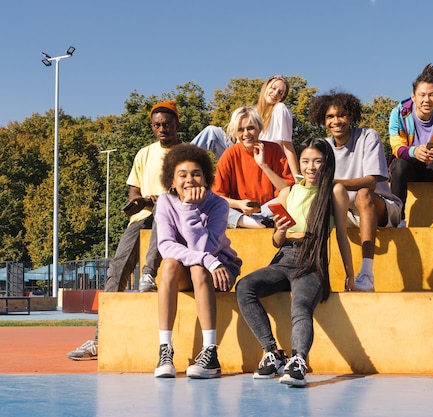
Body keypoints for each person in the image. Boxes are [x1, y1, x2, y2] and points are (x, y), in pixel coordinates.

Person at [67, 100, 182, 361]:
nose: (162, 128)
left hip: (173, 217)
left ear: (176, 124)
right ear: (152, 127)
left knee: (162, 213)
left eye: (166, 124)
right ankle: (100, 339)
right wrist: (134, 203)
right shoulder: (144, 153)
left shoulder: (186, 152)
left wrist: (157, 200)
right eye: (157, 125)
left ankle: (148, 274)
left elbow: (187, 189)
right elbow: (134, 189)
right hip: (141, 218)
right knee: (115, 272)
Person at [236, 137, 354, 387]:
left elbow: (342, 235)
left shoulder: (335, 191)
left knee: (300, 306)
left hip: (311, 262)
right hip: (283, 259)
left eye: (318, 161)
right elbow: (277, 241)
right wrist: (281, 230)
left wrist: (350, 273)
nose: (311, 167)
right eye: (306, 161)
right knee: (245, 286)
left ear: (328, 163)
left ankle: (298, 360)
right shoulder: (289, 192)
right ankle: (272, 352)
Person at [153, 143, 242, 378]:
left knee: (198, 268)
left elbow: (206, 247)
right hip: (194, 266)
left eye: (196, 174)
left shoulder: (218, 204)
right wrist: (204, 259)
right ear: (172, 181)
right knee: (170, 264)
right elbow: (165, 246)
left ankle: (210, 353)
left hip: (220, 269)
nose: (189, 180)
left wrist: (190, 209)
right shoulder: (164, 202)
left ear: (205, 178)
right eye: (182, 175)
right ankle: (165, 349)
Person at [308, 91, 402, 292]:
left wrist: (333, 183)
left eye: (341, 114)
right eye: (330, 117)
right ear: (323, 120)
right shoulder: (323, 147)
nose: (336, 121)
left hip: (381, 207)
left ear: (351, 116)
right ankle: (314, 275)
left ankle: (367, 274)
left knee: (363, 194)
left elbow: (370, 181)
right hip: (346, 210)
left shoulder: (368, 136)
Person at [388, 63, 433, 228]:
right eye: (422, 95)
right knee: (398, 164)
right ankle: (399, 219)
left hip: (432, 166)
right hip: (408, 167)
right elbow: (396, 146)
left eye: (432, 95)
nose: (427, 100)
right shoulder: (399, 113)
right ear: (413, 97)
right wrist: (414, 151)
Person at [213, 106, 294, 228]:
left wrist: (263, 165)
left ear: (259, 128)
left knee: (293, 196)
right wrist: (239, 204)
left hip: (268, 210)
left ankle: (256, 222)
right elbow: (217, 196)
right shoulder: (230, 154)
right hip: (241, 212)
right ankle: (255, 223)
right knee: (212, 205)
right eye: (240, 130)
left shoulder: (274, 149)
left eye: (251, 128)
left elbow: (287, 191)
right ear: (235, 132)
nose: (246, 134)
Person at [257, 75, 299, 177]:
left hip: (268, 163)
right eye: (273, 88)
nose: (275, 93)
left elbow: (287, 146)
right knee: (212, 131)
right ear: (266, 86)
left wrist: (297, 178)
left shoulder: (280, 109)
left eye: (280, 93)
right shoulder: (254, 113)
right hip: (248, 157)